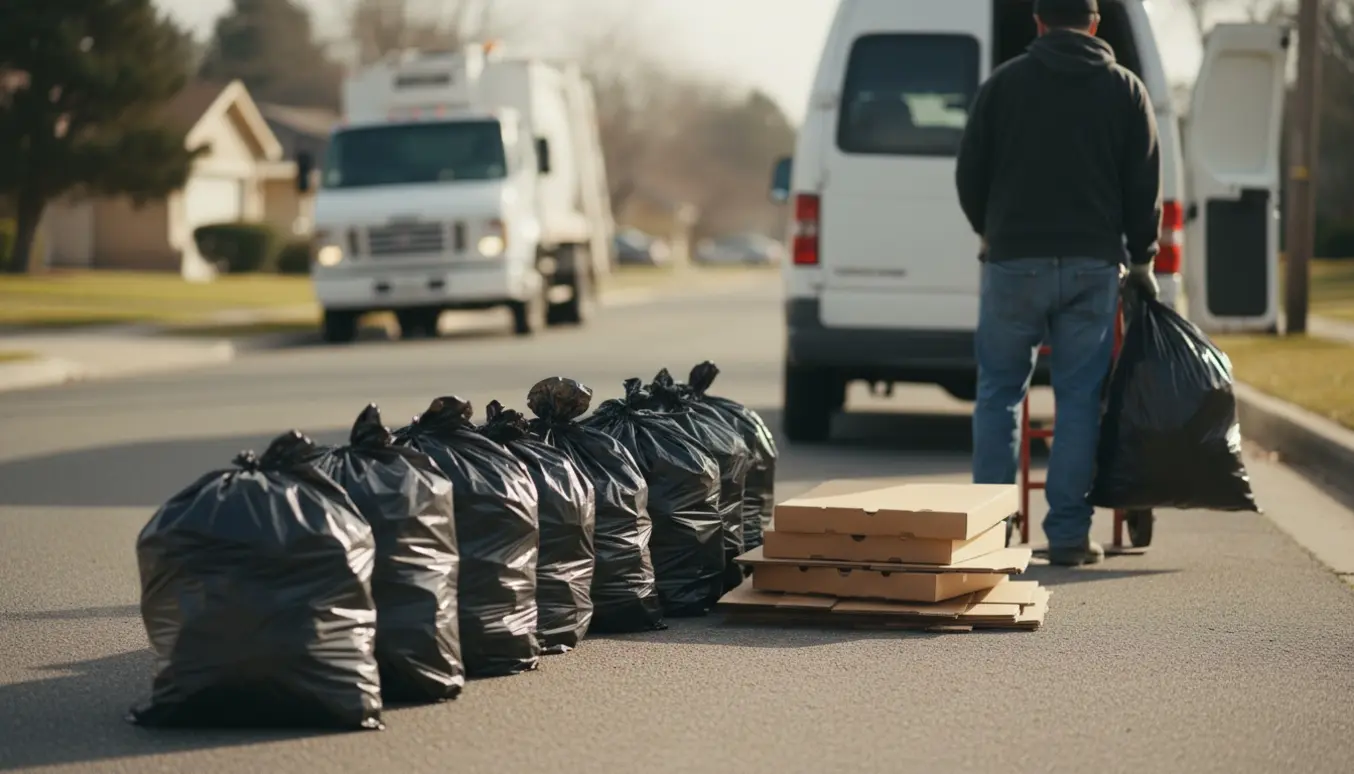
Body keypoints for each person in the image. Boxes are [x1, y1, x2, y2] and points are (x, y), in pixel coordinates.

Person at [955, 0, 1162, 566]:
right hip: (1092, 267)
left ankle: (990, 535)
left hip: (1012, 262)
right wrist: (1142, 258)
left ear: (1039, 22)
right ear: (1094, 25)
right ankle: (1069, 536)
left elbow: (969, 173)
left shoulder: (1004, 86)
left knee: (999, 395)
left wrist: (989, 231)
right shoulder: (1125, 90)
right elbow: (1144, 186)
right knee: (1077, 400)